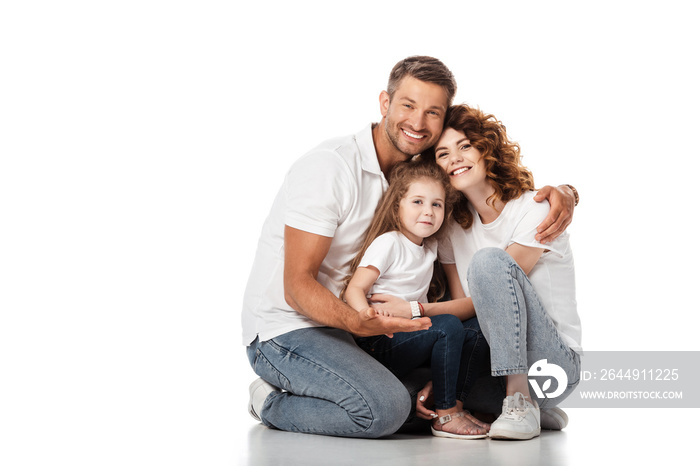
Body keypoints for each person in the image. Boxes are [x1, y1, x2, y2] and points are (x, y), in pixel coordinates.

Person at [242, 56, 577, 438]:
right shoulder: (330, 167)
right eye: (407, 105)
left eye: (432, 112)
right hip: (289, 330)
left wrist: (567, 192)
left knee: (428, 392)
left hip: (357, 335)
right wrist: (361, 323)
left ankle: (517, 403)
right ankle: (270, 401)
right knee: (385, 412)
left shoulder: (422, 186)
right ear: (384, 104)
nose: (418, 123)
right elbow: (296, 285)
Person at [418, 104, 582, 440]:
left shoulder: (535, 208)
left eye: (465, 146)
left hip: (551, 363)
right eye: (443, 153)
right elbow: (466, 319)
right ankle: (525, 407)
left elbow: (484, 301)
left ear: (486, 148)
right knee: (410, 393)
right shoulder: (451, 229)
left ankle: (520, 400)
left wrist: (415, 312)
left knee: (488, 262)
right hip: (494, 365)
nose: (455, 159)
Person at [343, 161, 488, 439]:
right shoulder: (390, 242)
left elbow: (459, 305)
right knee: (446, 326)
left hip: (413, 334)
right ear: (398, 205)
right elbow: (355, 288)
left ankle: (453, 402)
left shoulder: (431, 247)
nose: (428, 212)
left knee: (475, 328)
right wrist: (366, 317)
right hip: (381, 341)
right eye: (418, 201)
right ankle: (445, 416)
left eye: (437, 205)